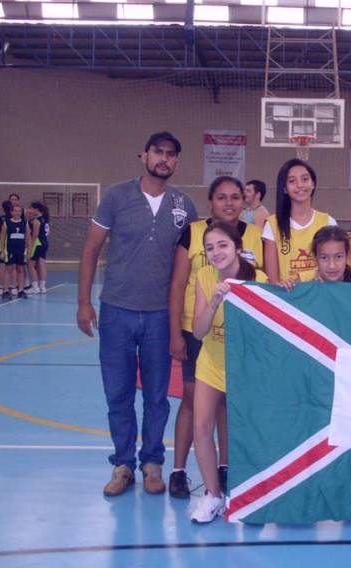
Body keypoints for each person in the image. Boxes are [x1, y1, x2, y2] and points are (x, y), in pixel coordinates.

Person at [77, 132, 198, 497]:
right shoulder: (116, 196)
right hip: (116, 311)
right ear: (143, 155)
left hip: (162, 317)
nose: (163, 159)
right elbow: (91, 249)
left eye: (171, 155)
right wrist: (84, 302)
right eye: (158, 152)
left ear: (176, 162)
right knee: (118, 393)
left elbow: (190, 264)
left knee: (158, 396)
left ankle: (152, 463)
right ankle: (122, 465)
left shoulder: (184, 206)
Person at [167, 176, 263, 498]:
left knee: (229, 407)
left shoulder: (255, 237)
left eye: (236, 197)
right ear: (211, 202)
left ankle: (227, 470)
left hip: (241, 339)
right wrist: (175, 333)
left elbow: (267, 288)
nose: (229, 203)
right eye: (221, 197)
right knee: (194, 402)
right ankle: (179, 471)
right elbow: (178, 284)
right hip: (201, 332)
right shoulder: (193, 235)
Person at [190, 222, 268, 523]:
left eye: (222, 245)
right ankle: (213, 495)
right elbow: (197, 331)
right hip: (211, 362)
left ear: (237, 246)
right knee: (201, 428)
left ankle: (250, 494)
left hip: (245, 367)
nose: (216, 253)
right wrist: (214, 301)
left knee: (248, 433)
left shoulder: (258, 279)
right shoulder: (205, 276)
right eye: (210, 248)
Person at [262, 159, 336, 284]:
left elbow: (335, 268)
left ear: (313, 184)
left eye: (305, 179)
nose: (300, 185)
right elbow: (273, 282)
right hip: (288, 299)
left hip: (320, 296)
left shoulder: (328, 222)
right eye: (292, 181)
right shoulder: (272, 224)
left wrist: (302, 278)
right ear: (284, 188)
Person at [1, 200, 29, 299]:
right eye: (16, 211)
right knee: (9, 269)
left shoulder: (24, 223)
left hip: (21, 250)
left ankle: (21, 290)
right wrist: (2, 251)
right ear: (12, 212)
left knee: (20, 269)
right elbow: (2, 237)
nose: (18, 213)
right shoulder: (7, 223)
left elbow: (28, 237)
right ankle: (5, 290)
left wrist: (28, 250)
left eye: (19, 211)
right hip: (10, 250)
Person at [27, 201, 50, 294]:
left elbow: (34, 235)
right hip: (44, 242)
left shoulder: (37, 221)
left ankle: (35, 287)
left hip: (37, 243)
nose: (30, 210)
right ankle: (42, 286)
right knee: (41, 264)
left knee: (30, 265)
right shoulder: (45, 219)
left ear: (36, 209)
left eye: (31, 208)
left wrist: (30, 248)